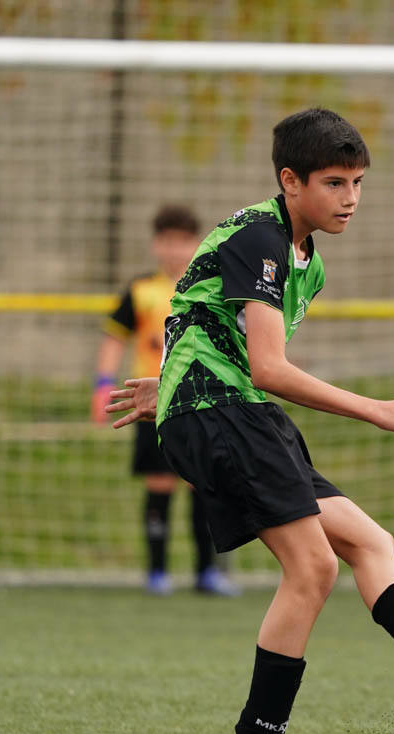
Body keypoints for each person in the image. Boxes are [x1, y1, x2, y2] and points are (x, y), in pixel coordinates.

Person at [106, 108, 394, 734]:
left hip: (222, 407)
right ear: (289, 180)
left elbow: (209, 322)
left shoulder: (307, 262)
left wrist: (170, 379)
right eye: (334, 182)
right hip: (228, 410)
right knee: (314, 567)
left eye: (359, 182)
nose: (351, 197)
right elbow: (268, 366)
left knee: (369, 542)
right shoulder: (262, 236)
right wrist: (378, 408)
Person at [92, 205, 240, 597]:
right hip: (151, 405)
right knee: (159, 484)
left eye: (183, 241)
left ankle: (206, 572)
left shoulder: (210, 287)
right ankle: (157, 572)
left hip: (198, 401)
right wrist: (102, 384)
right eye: (167, 241)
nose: (175, 250)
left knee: (202, 485)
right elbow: (114, 338)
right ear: (155, 244)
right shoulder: (141, 290)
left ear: (196, 244)